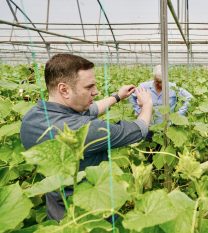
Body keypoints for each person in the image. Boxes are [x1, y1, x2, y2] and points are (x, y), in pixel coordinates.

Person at [20, 53, 153, 221]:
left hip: (57, 217)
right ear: (64, 89)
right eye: (89, 87)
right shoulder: (87, 130)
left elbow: (91, 110)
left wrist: (117, 96)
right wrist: (147, 104)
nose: (96, 92)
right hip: (92, 217)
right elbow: (137, 130)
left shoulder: (30, 118)